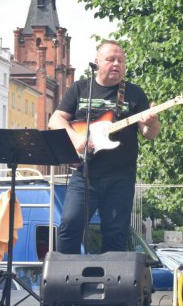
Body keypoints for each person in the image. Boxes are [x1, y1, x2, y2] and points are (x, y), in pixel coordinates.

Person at [48, 40, 160, 254]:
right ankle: (65, 281)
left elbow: (149, 134)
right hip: (84, 173)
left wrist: (152, 122)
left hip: (121, 176)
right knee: (69, 226)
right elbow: (56, 119)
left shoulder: (135, 94)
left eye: (121, 60)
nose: (117, 64)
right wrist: (75, 138)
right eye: (111, 59)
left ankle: (111, 284)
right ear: (97, 62)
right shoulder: (80, 88)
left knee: (116, 233)